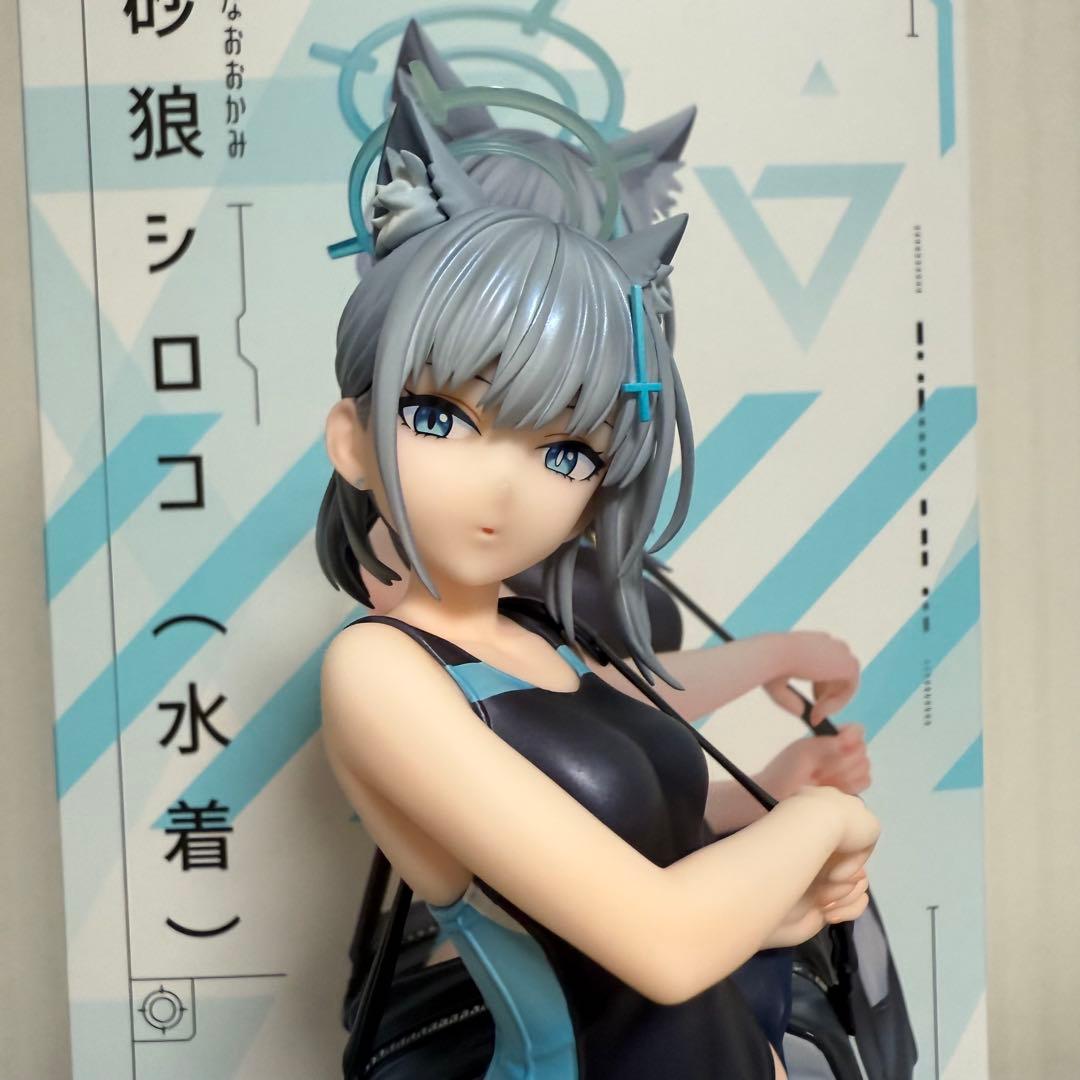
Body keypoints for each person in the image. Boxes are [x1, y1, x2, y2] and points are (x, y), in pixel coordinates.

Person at [317, 91, 878, 1079]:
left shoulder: (538, 634)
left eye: (566, 451)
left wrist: (777, 866)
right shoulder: (379, 672)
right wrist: (819, 823)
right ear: (352, 440)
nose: (506, 485)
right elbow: (662, 945)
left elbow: (652, 893)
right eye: (442, 418)